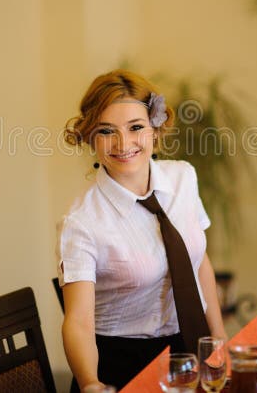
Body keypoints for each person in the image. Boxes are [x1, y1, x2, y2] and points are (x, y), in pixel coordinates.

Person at [56, 69, 227, 391]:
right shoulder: (81, 223)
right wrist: (91, 383)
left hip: (189, 349)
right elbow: (78, 321)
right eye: (107, 131)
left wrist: (218, 339)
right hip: (122, 365)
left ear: (155, 130)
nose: (124, 144)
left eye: (136, 127)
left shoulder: (183, 178)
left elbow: (199, 262)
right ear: (90, 137)